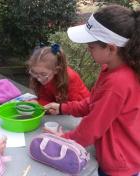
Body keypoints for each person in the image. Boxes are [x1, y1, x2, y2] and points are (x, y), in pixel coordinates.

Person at [44, 5, 140, 176]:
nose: (88, 50)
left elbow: (91, 129)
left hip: (118, 164)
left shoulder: (117, 83)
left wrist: (62, 139)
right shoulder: (113, 69)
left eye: (91, 47)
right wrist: (62, 108)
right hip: (122, 155)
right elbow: (94, 103)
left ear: (111, 48)